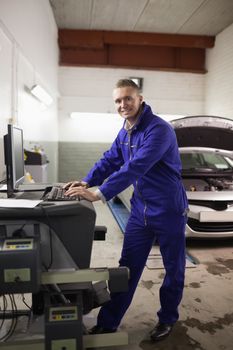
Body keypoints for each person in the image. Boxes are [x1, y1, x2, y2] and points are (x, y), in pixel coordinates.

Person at [64, 79, 188, 342]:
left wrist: (99, 193)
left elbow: (136, 167)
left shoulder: (159, 130)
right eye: (118, 101)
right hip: (140, 212)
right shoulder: (126, 130)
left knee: (173, 269)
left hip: (168, 211)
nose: (123, 105)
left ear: (140, 98)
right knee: (127, 270)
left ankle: (167, 320)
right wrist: (87, 180)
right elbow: (111, 159)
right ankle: (108, 323)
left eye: (128, 98)